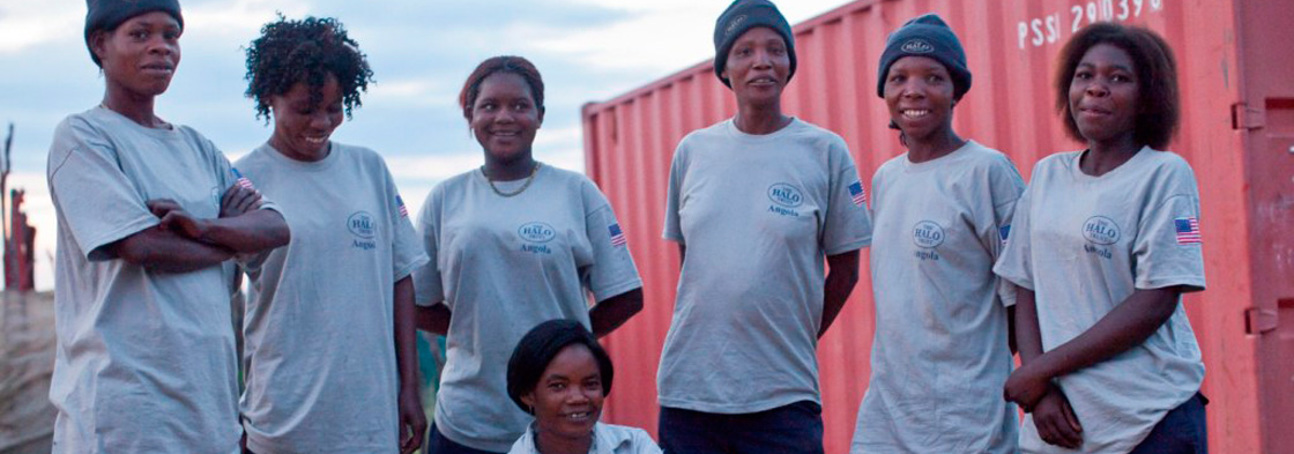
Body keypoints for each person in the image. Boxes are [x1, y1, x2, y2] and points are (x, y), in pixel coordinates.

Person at [46, 0, 290, 451]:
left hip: (209, 413)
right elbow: (142, 247)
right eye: (141, 34)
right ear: (100, 44)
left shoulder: (199, 148)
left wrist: (198, 226)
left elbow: (275, 228)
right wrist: (227, 236)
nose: (161, 48)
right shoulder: (84, 137)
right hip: (124, 417)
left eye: (171, 35)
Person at [657, 1, 872, 452]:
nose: (762, 61)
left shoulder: (825, 152)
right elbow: (693, 264)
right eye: (744, 51)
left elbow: (847, 271)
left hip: (782, 396)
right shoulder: (692, 152)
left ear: (789, 64)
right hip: (689, 394)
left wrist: (795, 331)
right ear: (724, 68)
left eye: (775, 49)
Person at [413, 55, 644, 454]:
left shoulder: (577, 193)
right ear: (470, 115)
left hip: (560, 428)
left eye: (520, 105)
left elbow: (626, 296)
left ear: (539, 115)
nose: (505, 117)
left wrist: (561, 347)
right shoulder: (445, 199)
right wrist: (473, 332)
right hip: (468, 423)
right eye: (489, 106)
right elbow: (417, 302)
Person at [994, 22, 1208, 453]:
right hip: (1060, 426)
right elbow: (1024, 284)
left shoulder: (1164, 176)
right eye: (1084, 75)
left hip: (1150, 420)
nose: (1096, 89)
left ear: (1149, 96)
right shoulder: (1048, 175)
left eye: (1118, 78)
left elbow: (1156, 300)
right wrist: (1039, 391)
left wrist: (1041, 370)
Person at [233, 16, 428, 454]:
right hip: (281, 419)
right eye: (305, 108)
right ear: (269, 96)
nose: (322, 121)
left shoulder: (370, 170)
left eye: (335, 107)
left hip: (370, 419)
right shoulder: (241, 179)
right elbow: (214, 296)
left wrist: (409, 389)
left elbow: (401, 280)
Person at [850, 13, 1024, 454]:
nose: (913, 90)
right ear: (884, 92)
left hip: (966, 419)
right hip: (887, 416)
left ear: (955, 91)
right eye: (898, 77)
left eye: (933, 77)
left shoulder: (987, 173)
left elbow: (1025, 294)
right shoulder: (886, 179)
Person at [505, 319, 662, 454]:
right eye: (558, 386)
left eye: (590, 384)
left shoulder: (635, 447)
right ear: (528, 394)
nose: (578, 398)